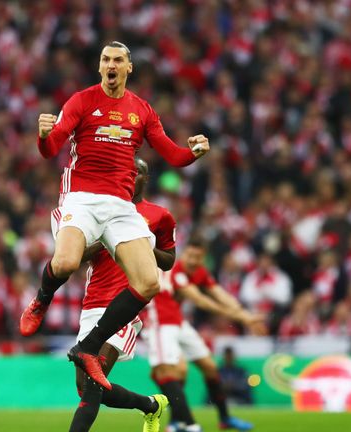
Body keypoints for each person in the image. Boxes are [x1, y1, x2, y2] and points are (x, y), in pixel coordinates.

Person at [19, 41, 209, 389]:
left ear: (128, 68)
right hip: (81, 198)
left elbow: (172, 153)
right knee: (64, 264)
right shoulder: (81, 100)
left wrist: (193, 152)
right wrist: (43, 135)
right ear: (100, 67)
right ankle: (41, 300)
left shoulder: (142, 110)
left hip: (120, 206)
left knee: (149, 282)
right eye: (106, 59)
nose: (111, 64)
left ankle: (89, 346)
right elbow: (51, 149)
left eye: (118, 60)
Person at [69, 158, 170, 432]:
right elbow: (77, 256)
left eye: (138, 173)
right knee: (85, 387)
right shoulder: (100, 211)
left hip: (125, 308)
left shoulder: (159, 216)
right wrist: (104, 236)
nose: (132, 176)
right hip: (92, 306)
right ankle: (151, 405)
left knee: (92, 383)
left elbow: (169, 260)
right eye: (128, 171)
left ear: (145, 178)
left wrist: (144, 242)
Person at [145, 238, 265, 432]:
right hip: (159, 323)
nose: (193, 260)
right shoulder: (176, 269)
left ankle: (224, 418)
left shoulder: (199, 271)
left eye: (198, 257)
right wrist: (241, 317)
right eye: (190, 256)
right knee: (176, 372)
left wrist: (246, 315)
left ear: (203, 258)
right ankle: (183, 423)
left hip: (178, 322)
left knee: (209, 367)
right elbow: (199, 300)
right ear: (184, 254)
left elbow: (218, 292)